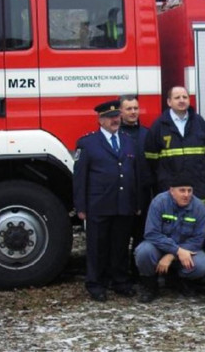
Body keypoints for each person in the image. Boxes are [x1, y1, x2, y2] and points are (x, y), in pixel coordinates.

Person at [73, 100, 138, 302]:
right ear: (100, 120)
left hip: (123, 204)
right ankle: (96, 284)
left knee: (120, 246)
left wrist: (135, 203)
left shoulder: (128, 141)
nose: (115, 120)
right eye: (110, 117)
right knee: (97, 247)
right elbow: (80, 177)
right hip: (99, 205)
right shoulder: (87, 143)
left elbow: (134, 174)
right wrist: (81, 207)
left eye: (117, 116)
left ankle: (120, 281)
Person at [134, 175, 205, 303]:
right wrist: (176, 250)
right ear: (171, 191)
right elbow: (152, 233)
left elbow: (198, 239)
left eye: (189, 191)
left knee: (201, 265)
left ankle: (179, 280)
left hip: (186, 249)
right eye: (182, 190)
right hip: (159, 247)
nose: (186, 194)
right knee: (143, 252)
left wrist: (172, 255)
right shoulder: (159, 202)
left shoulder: (199, 207)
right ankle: (150, 285)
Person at [145, 86, 205, 202]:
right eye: (177, 98)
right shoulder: (159, 125)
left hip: (198, 187)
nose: (181, 100)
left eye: (185, 97)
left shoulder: (199, 122)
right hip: (169, 188)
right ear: (169, 102)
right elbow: (151, 161)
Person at [118, 94, 154, 278]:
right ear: (120, 112)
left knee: (142, 238)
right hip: (123, 198)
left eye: (135, 108)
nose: (133, 112)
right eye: (129, 109)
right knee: (121, 240)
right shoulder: (116, 136)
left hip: (144, 196)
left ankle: (140, 274)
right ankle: (123, 276)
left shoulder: (147, 134)